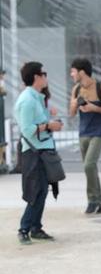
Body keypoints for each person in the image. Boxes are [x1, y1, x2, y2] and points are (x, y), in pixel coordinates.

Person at [14, 61, 63, 244]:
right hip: (34, 153)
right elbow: (27, 129)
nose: (46, 77)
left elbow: (39, 123)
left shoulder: (37, 97)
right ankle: (24, 228)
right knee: (36, 191)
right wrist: (49, 125)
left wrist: (51, 121)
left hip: (42, 151)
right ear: (36, 77)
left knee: (42, 190)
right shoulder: (27, 100)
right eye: (44, 73)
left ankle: (35, 227)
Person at [69, 57, 101, 214]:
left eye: (73, 71)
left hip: (99, 131)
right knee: (91, 168)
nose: (71, 74)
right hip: (83, 132)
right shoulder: (76, 89)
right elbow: (71, 114)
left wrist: (94, 108)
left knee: (89, 164)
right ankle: (99, 202)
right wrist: (74, 105)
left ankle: (91, 201)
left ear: (82, 72)